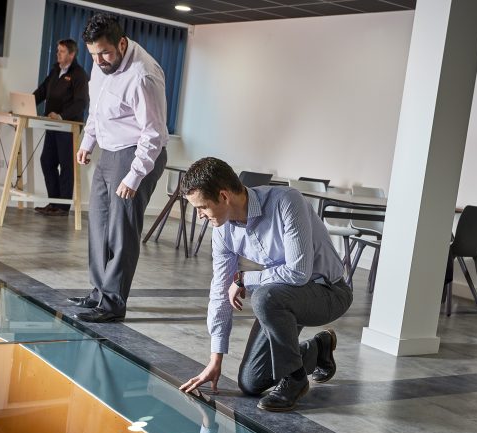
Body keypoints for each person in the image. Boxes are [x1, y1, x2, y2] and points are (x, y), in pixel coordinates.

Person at [178, 158, 353, 412]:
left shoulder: (286, 202)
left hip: (328, 292)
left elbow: (298, 273)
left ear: (224, 196)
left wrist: (244, 279)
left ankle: (295, 380)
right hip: (284, 297)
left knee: (263, 297)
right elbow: (220, 290)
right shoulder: (223, 230)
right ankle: (318, 349)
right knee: (250, 382)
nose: (200, 215)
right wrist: (215, 359)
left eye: (202, 207)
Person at [68, 14, 169, 323]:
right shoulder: (102, 65)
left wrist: (135, 174)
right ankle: (99, 292)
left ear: (122, 43)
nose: (99, 60)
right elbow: (97, 108)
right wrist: (88, 142)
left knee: (121, 230)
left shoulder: (142, 75)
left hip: (137, 153)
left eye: (105, 53)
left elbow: (153, 133)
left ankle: (113, 303)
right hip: (110, 152)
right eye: (93, 54)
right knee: (99, 225)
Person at [33, 39, 89, 217]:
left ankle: (63, 207)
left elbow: (81, 103)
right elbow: (42, 91)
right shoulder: (56, 70)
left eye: (62, 51)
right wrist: (24, 104)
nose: (58, 54)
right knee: (47, 161)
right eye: (58, 50)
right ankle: (54, 202)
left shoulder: (79, 75)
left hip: (68, 126)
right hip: (52, 124)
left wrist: (62, 116)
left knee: (66, 165)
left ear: (72, 54)